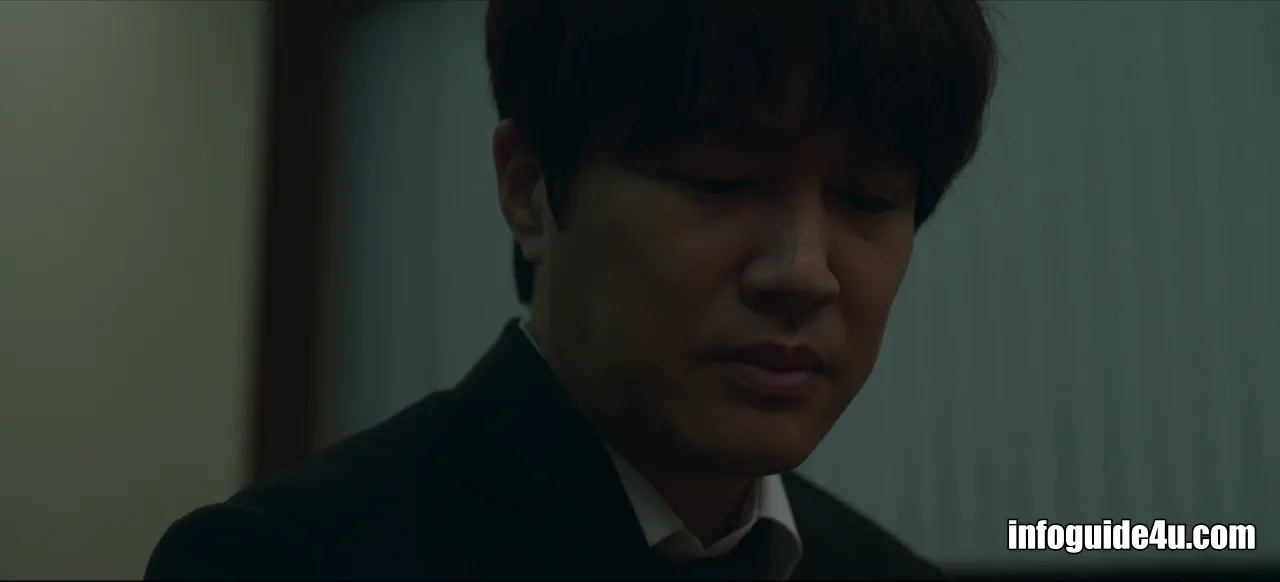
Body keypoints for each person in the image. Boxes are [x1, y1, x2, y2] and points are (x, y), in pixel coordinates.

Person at [146, 0, 998, 579]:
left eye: (867, 200)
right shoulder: (283, 561)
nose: (804, 272)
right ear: (529, 191)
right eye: (719, 180)